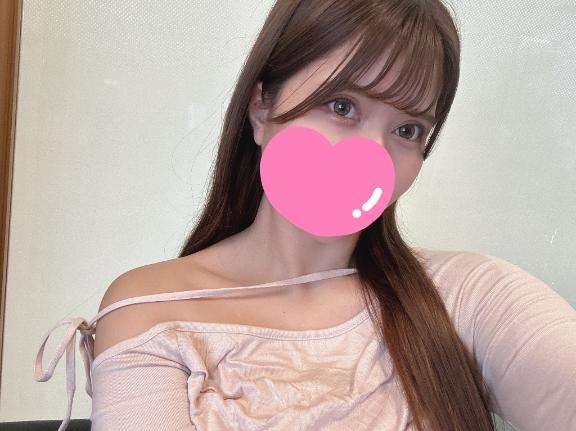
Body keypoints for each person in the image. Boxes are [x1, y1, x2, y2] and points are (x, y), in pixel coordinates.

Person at [34, 1, 576, 430]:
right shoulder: (152, 313)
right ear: (262, 107)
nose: (372, 156)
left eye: (408, 130)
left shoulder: (467, 297)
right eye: (342, 106)